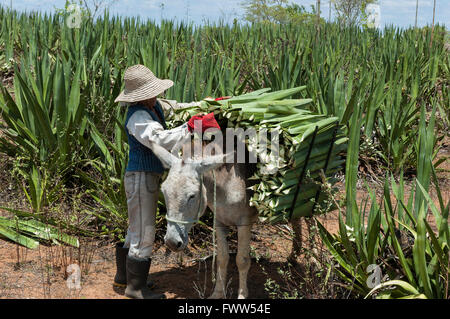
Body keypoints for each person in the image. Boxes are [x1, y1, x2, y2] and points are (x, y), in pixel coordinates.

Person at [112, 64, 219, 299]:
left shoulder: (154, 106)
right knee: (144, 230)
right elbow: (160, 140)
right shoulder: (138, 116)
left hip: (146, 176)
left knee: (135, 227)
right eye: (151, 93)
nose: (156, 96)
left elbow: (178, 107)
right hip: (141, 177)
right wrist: (192, 126)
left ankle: (123, 279)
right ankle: (135, 289)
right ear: (140, 97)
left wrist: (208, 105)